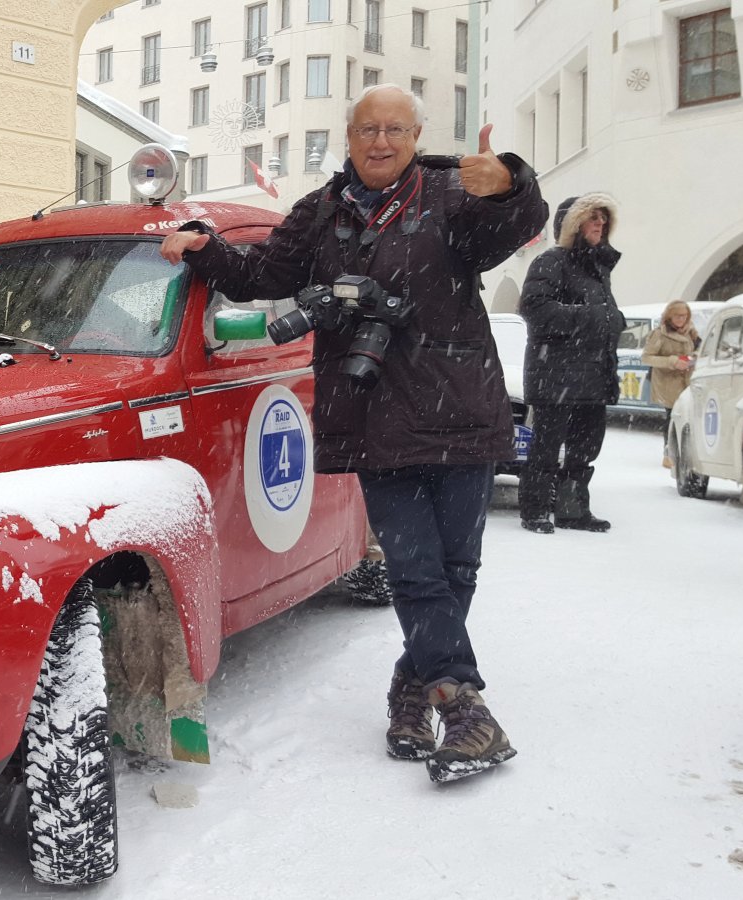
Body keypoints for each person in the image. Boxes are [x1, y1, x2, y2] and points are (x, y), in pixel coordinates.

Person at [159, 84, 546, 783]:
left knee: (456, 570)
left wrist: (511, 185)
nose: (381, 141)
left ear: (415, 136)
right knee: (416, 570)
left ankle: (411, 690)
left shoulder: (451, 194)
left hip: (460, 407)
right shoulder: (319, 212)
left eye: (395, 128)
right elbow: (261, 273)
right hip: (374, 415)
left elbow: (508, 230)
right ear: (348, 136)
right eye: (367, 128)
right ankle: (462, 708)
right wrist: (203, 250)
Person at [517, 194, 624, 534]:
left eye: (604, 218)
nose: (600, 223)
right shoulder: (550, 261)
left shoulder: (598, 268)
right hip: (556, 376)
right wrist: (595, 317)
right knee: (546, 449)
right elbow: (535, 309)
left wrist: (614, 320)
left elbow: (601, 317)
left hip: (593, 375)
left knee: (586, 448)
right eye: (593, 217)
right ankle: (535, 511)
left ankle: (572, 510)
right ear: (573, 223)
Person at [641, 299, 699, 466]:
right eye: (677, 316)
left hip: (688, 380)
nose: (681, 319)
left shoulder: (692, 332)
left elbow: (700, 349)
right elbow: (647, 357)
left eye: (684, 316)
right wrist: (672, 361)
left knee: (689, 417)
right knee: (673, 416)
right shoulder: (659, 334)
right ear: (669, 317)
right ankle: (669, 453)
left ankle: (687, 453)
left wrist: (692, 358)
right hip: (667, 382)